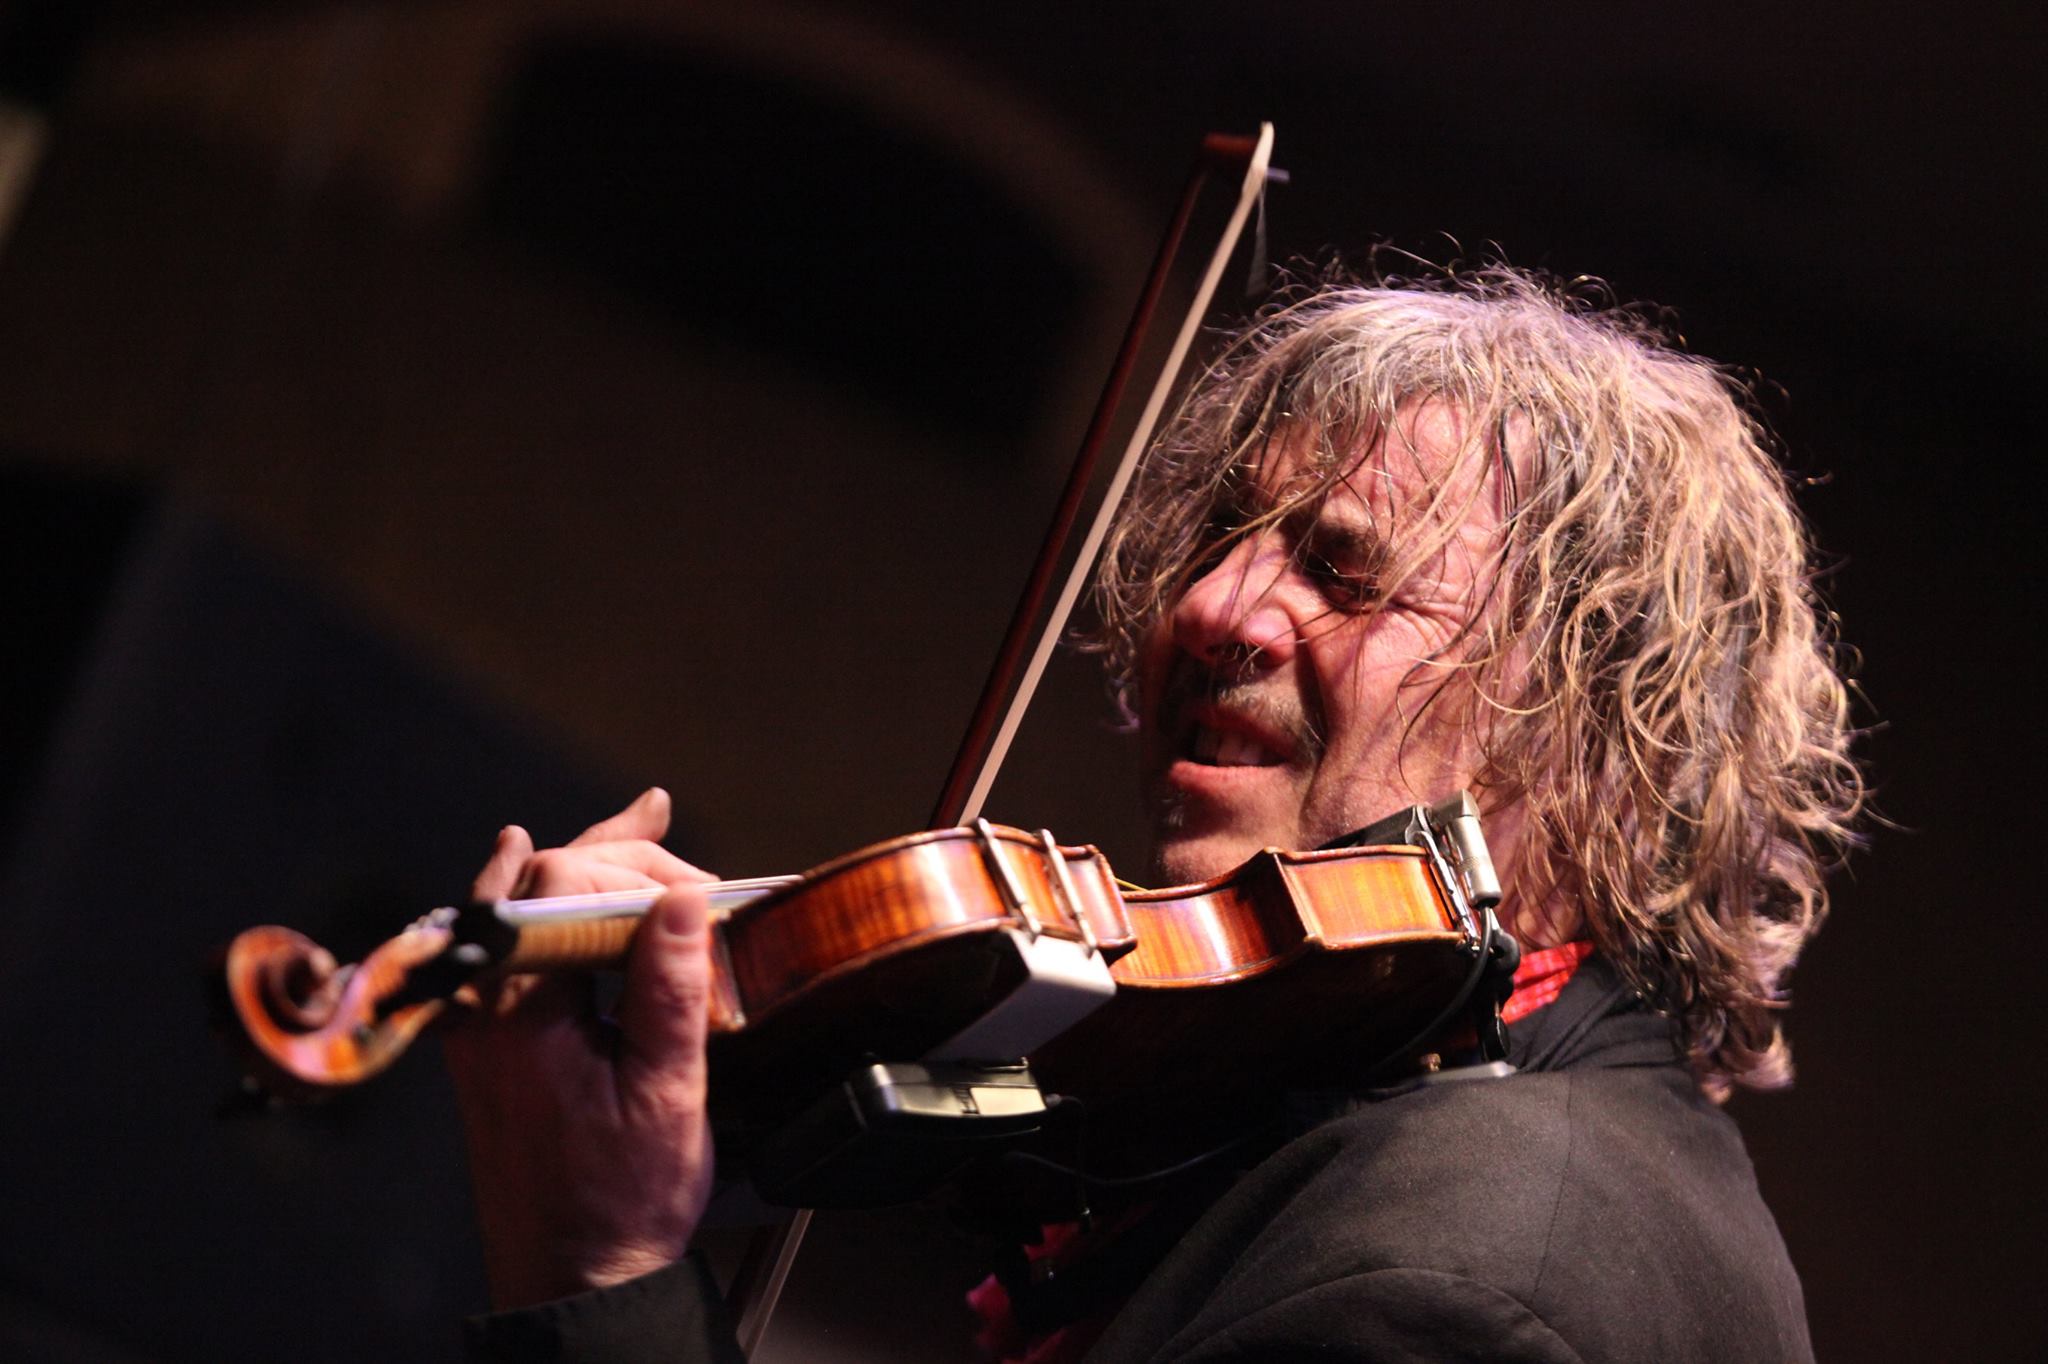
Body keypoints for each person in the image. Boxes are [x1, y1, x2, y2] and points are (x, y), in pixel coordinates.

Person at [447, 268, 1863, 1362]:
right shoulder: (1396, 1124)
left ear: (1595, 728)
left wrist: (599, 1273)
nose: (1211, 605)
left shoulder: (1449, 1289)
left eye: (1343, 572)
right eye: (1227, 541)